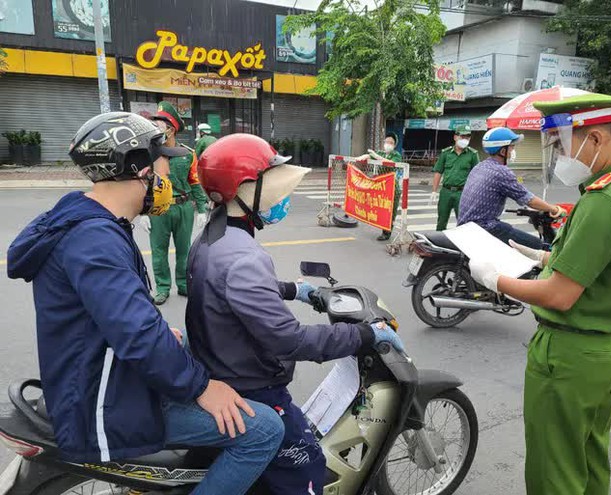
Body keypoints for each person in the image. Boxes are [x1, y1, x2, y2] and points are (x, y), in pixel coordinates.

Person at [6, 113, 284, 494]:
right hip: (99, 402)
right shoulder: (94, 242)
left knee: (181, 341)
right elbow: (137, 333)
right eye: (162, 163)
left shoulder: (94, 221)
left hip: (97, 373)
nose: (166, 175)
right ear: (138, 168)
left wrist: (164, 339)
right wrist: (203, 389)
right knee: (265, 429)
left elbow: (123, 318)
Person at [186, 133, 404, 495]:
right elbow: (289, 339)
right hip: (253, 387)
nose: (282, 194)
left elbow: (227, 292)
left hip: (219, 365)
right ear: (242, 188)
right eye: (274, 184)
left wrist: (293, 290)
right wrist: (365, 335)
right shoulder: (244, 256)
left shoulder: (212, 236)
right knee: (306, 466)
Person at [468, 93, 611, 495]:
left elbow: (558, 296)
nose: (558, 155)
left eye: (560, 143)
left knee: (554, 473)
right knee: (588, 460)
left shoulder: (605, 199)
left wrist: (495, 280)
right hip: (610, 347)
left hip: (572, 355)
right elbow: (605, 263)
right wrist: (540, 255)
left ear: (594, 139)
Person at [140, 101, 209, 305]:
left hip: (183, 207)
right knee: (158, 251)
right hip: (158, 209)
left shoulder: (188, 154)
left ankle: (183, 284)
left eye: (159, 124)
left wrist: (202, 208)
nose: (155, 127)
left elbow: (194, 181)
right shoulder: (149, 154)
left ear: (170, 129)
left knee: (184, 250)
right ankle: (162, 287)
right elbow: (142, 183)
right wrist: (143, 212)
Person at [458, 126, 565, 249]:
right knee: (538, 246)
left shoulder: (480, 167)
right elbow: (528, 199)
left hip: (467, 226)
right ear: (503, 151)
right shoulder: (501, 172)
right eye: (512, 146)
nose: (513, 150)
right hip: (485, 227)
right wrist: (555, 209)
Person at [429, 125, 479, 231]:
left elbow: (477, 176)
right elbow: (438, 172)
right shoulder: (446, 153)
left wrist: (474, 194)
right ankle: (439, 244)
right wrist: (434, 191)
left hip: (462, 193)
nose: (465, 139)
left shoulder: (473, 154)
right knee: (441, 221)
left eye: (467, 137)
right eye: (462, 136)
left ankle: (461, 245)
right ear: (455, 137)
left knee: (463, 222)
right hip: (446, 192)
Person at [357, 132, 403, 241]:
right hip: (381, 187)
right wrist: (363, 156)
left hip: (392, 188)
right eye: (387, 142)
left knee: (390, 211)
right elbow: (370, 155)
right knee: (380, 208)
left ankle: (387, 233)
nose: (388, 144)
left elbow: (390, 163)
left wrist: (376, 156)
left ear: (394, 145)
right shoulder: (381, 153)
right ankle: (382, 227)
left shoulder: (396, 155)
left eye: (391, 143)